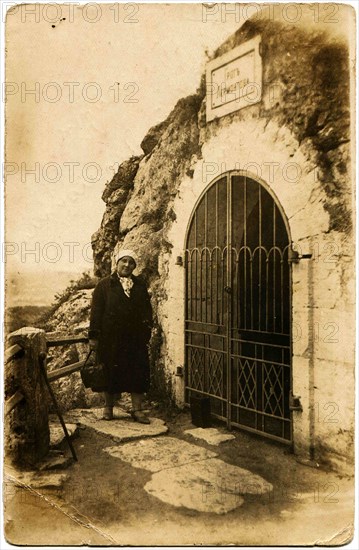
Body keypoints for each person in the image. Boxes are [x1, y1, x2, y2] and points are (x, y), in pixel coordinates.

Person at [88, 249, 152, 423]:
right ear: (116, 263)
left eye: (131, 262)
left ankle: (137, 410)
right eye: (124, 261)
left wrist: (146, 332)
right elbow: (96, 313)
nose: (127, 265)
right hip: (111, 338)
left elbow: (147, 311)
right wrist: (94, 336)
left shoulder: (139, 285)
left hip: (135, 339)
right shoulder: (104, 285)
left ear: (134, 266)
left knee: (138, 371)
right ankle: (108, 408)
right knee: (109, 371)